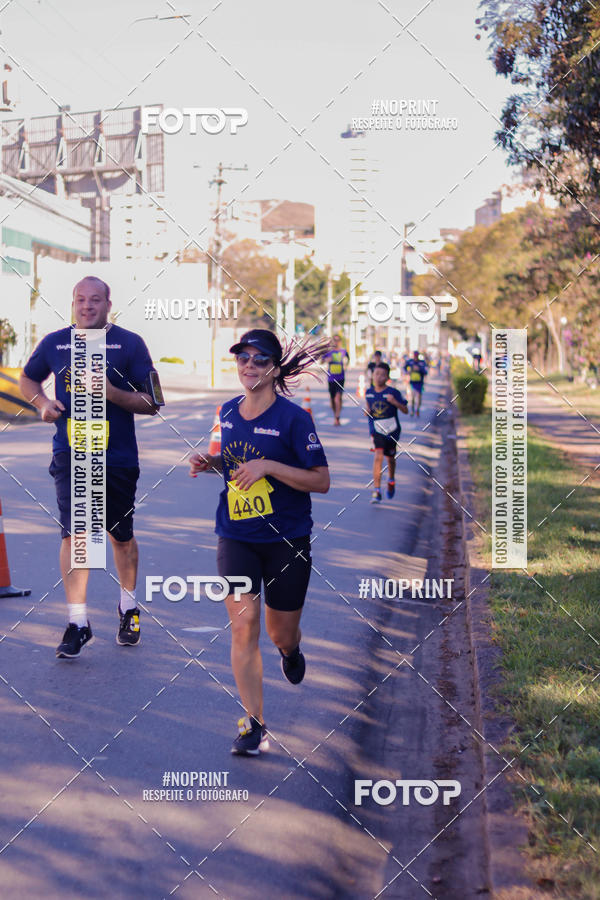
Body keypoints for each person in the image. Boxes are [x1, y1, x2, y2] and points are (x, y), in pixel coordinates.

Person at [189, 329, 330, 756]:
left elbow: (321, 481)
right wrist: (210, 462)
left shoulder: (294, 419)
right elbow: (235, 463)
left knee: (278, 632)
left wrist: (268, 465)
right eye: (242, 359)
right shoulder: (228, 411)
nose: (248, 366)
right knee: (242, 626)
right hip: (236, 535)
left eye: (257, 359)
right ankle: (254, 723)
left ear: (273, 368)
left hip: (287, 538)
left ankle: (291, 650)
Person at [19, 276, 160, 658]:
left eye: (94, 300)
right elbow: (29, 378)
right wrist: (42, 404)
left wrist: (111, 393)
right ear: (73, 303)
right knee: (75, 536)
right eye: (80, 299)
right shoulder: (55, 342)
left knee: (120, 538)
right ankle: (78, 622)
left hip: (117, 457)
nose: (86, 306)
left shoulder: (129, 344)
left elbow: (153, 402)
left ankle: (128, 607)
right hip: (72, 452)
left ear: (107, 304)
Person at [365, 362, 408, 503]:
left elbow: (405, 410)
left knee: (390, 458)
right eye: (376, 374)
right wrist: (367, 412)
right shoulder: (369, 392)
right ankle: (376, 490)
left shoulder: (393, 392)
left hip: (392, 430)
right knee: (378, 455)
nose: (378, 377)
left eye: (382, 374)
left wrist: (394, 402)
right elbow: (368, 409)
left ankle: (391, 480)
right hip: (377, 429)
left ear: (387, 377)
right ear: (372, 375)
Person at [323, 334, 349, 425]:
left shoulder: (343, 351)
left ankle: (337, 417)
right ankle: (335, 415)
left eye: (338, 340)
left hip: (340, 378)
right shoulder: (329, 352)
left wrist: (346, 365)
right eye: (334, 340)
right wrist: (327, 360)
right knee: (333, 399)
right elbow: (322, 360)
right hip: (331, 378)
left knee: (338, 398)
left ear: (340, 342)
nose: (336, 342)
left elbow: (347, 359)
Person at [403, 350, 428, 417]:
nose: (415, 357)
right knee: (413, 396)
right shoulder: (410, 361)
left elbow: (425, 372)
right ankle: (412, 410)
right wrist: (408, 372)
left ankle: (418, 410)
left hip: (420, 383)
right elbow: (404, 367)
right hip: (412, 382)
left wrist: (419, 369)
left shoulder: (422, 362)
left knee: (419, 397)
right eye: (414, 355)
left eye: (416, 356)